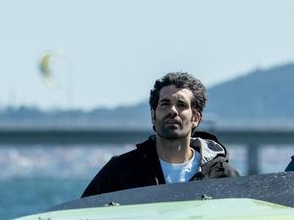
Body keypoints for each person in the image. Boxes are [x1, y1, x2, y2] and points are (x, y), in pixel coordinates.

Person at [82, 72, 238, 197]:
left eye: (181, 105)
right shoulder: (120, 171)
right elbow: (82, 216)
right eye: (165, 104)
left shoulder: (222, 176)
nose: (173, 111)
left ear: (195, 118)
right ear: (153, 116)